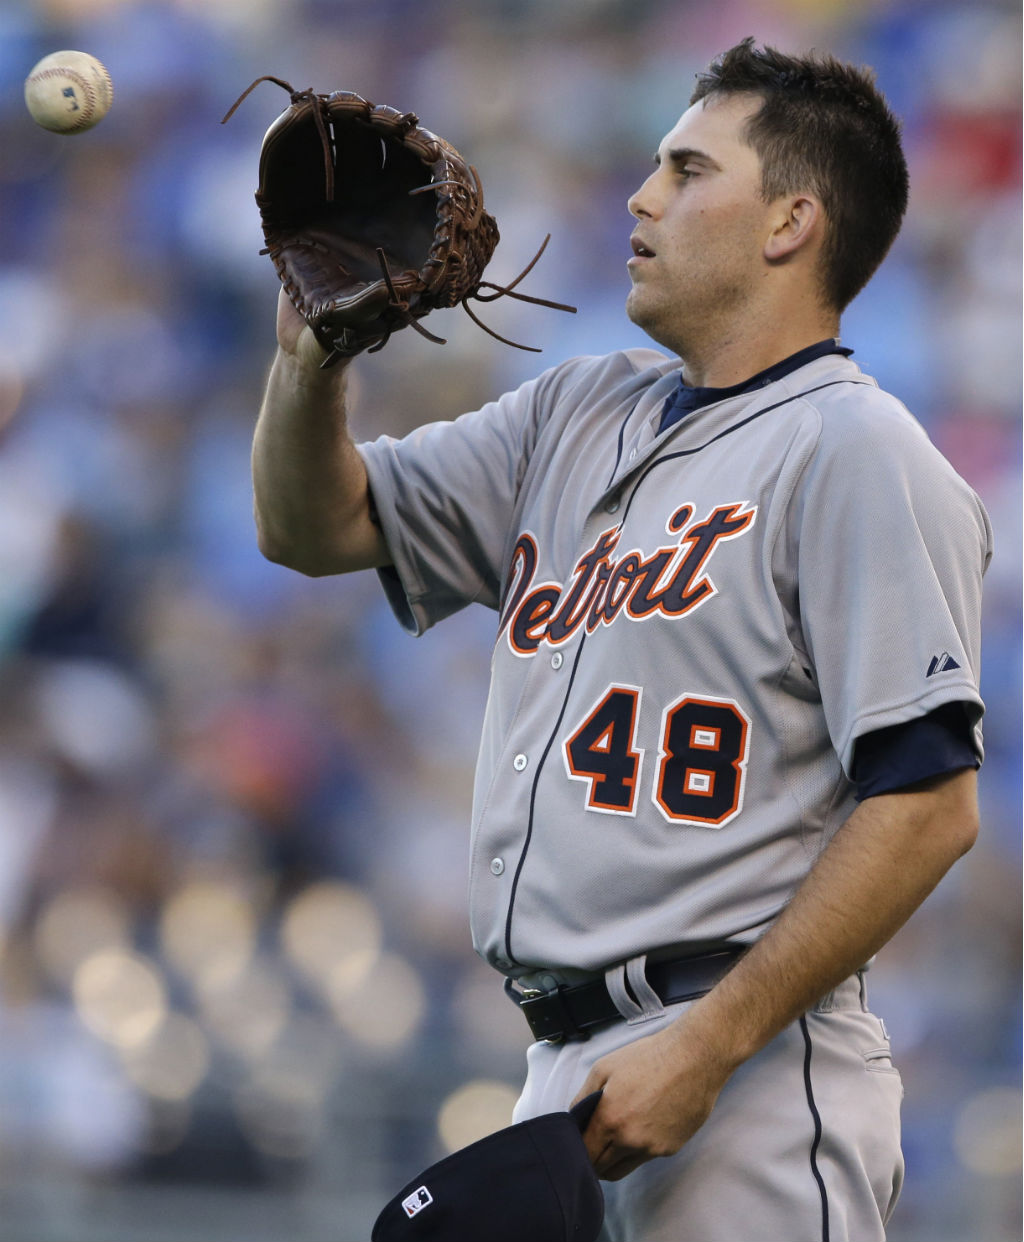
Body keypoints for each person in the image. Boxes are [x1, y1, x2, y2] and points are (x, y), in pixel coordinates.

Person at [251, 38, 991, 1242]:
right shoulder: (574, 410)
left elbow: (926, 806)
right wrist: (310, 361)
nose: (641, 197)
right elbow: (312, 525)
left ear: (790, 222)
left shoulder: (853, 450)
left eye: (687, 169)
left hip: (746, 1068)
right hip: (564, 1075)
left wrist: (707, 1045)